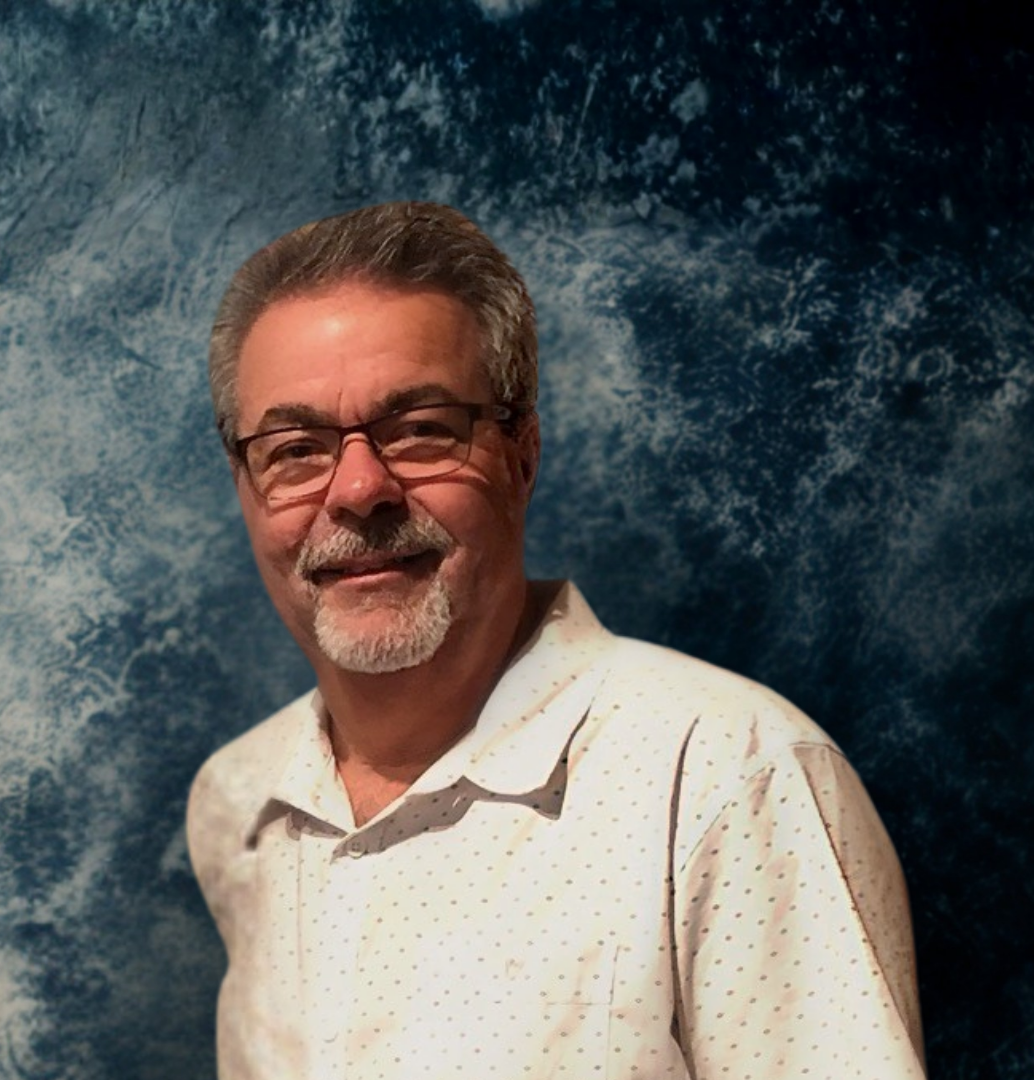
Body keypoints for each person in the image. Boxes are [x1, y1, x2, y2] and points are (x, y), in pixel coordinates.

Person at [187, 201, 926, 1080]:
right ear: (243, 481)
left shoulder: (731, 777)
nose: (358, 489)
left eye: (420, 429)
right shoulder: (239, 804)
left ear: (522, 454)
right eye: (295, 447)